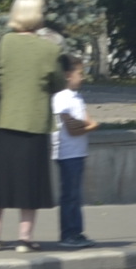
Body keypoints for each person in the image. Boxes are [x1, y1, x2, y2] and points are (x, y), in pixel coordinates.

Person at [0, 0, 65, 251]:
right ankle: (24, 239)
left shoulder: (0, 43)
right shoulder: (50, 49)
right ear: (38, 15)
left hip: (3, 121)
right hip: (34, 123)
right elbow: (59, 84)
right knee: (30, 184)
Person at [53, 54, 99, 248]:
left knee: (75, 196)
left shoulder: (76, 97)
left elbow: (86, 121)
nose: (83, 77)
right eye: (79, 73)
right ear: (67, 75)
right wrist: (87, 126)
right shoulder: (62, 97)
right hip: (67, 152)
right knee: (70, 195)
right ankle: (68, 234)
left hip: (78, 152)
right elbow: (72, 129)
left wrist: (85, 125)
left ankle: (77, 232)